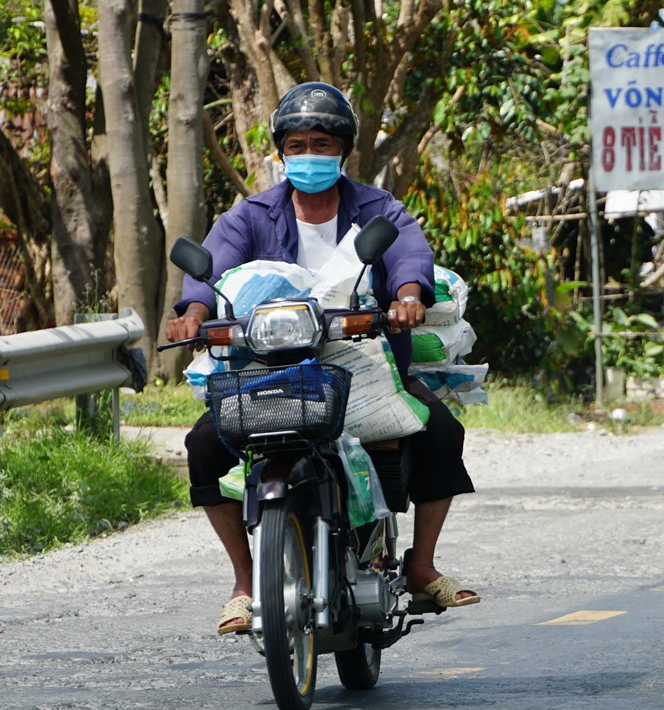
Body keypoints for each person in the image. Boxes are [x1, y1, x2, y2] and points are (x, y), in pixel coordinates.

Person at [166, 82, 479, 636]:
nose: (310, 154)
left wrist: (408, 296)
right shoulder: (251, 215)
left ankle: (421, 564)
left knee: (441, 433)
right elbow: (210, 270)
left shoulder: (379, 208)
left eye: (323, 144)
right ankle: (244, 582)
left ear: (344, 150)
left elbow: (409, 252)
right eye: (299, 144)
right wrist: (193, 311)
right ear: (282, 151)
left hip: (368, 367)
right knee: (203, 445)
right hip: (270, 373)